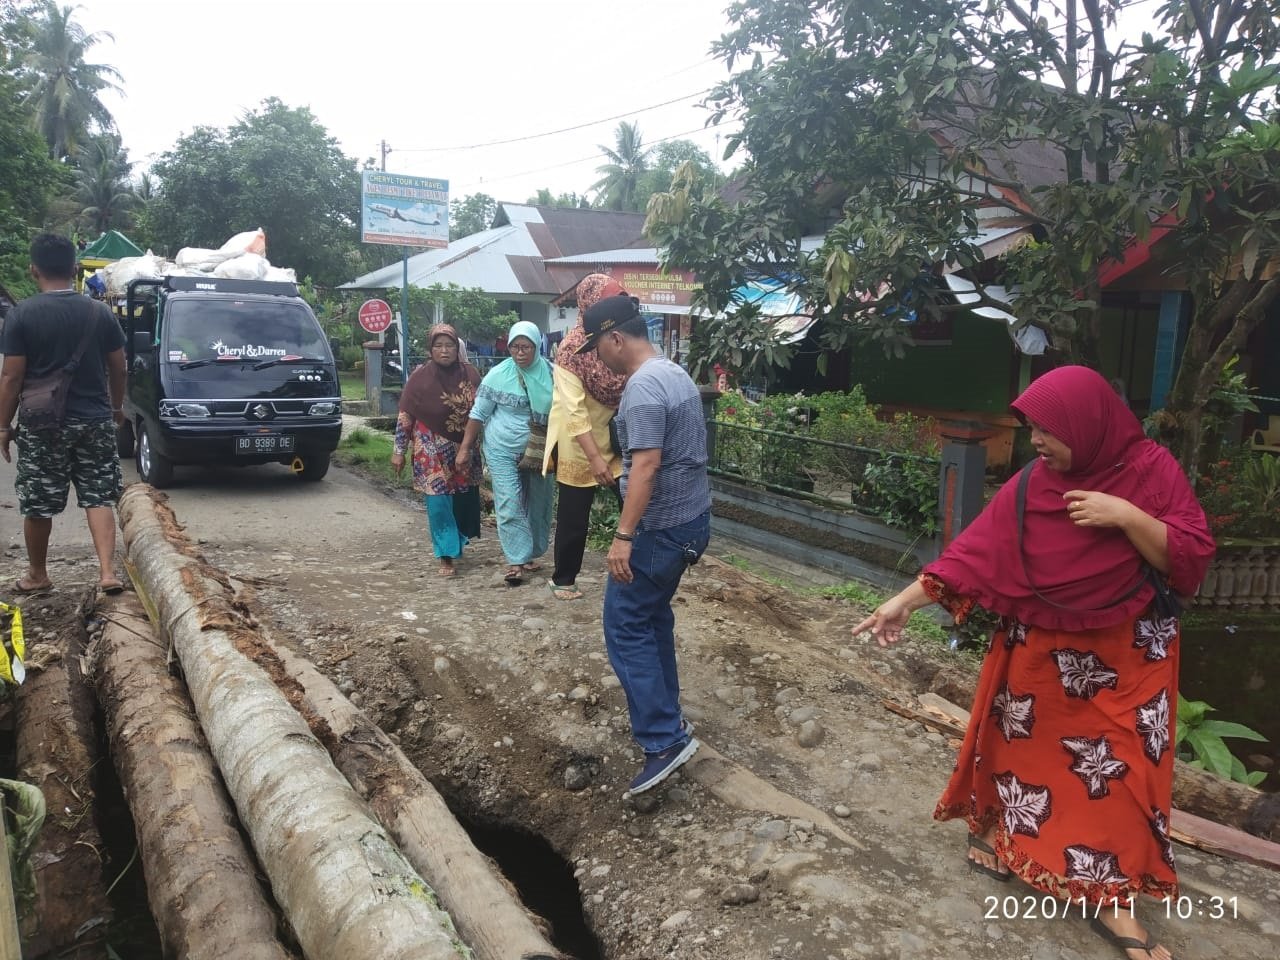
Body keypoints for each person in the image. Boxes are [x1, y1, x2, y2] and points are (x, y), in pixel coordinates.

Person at [853, 366, 1215, 960]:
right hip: (1045, 653)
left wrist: (1124, 516)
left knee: (1123, 769)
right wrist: (900, 604)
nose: (1036, 441)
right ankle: (1009, 838)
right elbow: (974, 557)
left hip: (1130, 651)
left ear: (1087, 425)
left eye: (1048, 429)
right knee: (1024, 751)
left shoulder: (1152, 471)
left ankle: (1112, 896)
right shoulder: (1033, 484)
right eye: (1033, 429)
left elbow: (1192, 556)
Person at [576, 294, 711, 795]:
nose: (597, 358)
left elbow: (647, 466)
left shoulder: (643, 387)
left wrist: (623, 536)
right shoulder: (674, 373)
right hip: (691, 520)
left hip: (660, 530)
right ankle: (670, 721)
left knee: (625, 623)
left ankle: (662, 740)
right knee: (652, 619)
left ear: (616, 338)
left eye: (597, 347)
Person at [0, 233, 128, 595]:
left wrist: (2, 426)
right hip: (94, 420)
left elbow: (11, 377)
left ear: (33, 269)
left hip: (43, 424)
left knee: (38, 502)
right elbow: (119, 369)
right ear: (74, 269)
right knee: (98, 495)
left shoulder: (21, 315)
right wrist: (116, 408)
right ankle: (106, 572)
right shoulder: (99, 312)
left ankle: (38, 575)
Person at [542, 274, 628, 600]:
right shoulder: (571, 349)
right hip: (580, 442)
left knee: (635, 504)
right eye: (607, 301)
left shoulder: (620, 339)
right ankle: (563, 579)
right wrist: (594, 458)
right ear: (590, 304)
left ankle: (644, 570)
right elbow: (573, 412)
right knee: (575, 515)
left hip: (617, 437)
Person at [458, 320, 555, 584]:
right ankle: (515, 560)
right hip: (502, 448)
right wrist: (465, 448)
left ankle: (531, 552)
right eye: (515, 347)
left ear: (537, 347)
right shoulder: (498, 375)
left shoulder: (552, 374)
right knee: (509, 501)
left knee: (539, 502)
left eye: (526, 347)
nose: (520, 352)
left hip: (539, 450)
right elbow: (478, 414)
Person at [390, 324, 483, 578]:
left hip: (463, 447)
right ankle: (446, 554)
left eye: (449, 345)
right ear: (430, 349)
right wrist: (398, 450)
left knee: (463, 501)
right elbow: (405, 416)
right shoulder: (419, 378)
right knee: (438, 501)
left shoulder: (471, 375)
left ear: (457, 348)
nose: (444, 351)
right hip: (428, 448)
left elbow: (483, 411)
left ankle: (457, 541)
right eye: (438, 346)